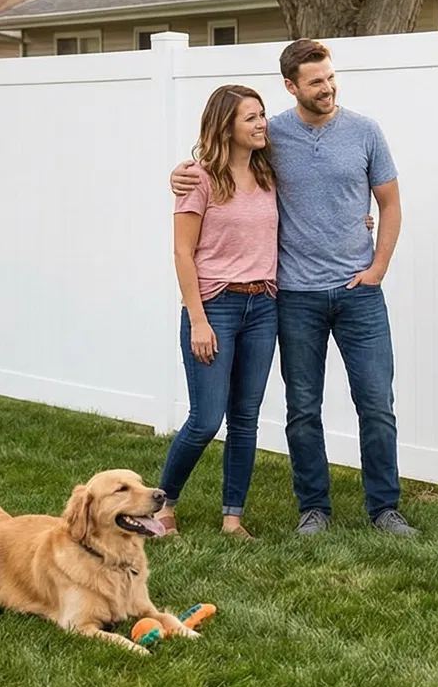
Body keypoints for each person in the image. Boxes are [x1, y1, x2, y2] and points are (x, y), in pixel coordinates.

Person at [172, 38, 414, 537]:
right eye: (315, 82)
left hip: (359, 293)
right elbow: (218, 163)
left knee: (376, 402)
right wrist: (180, 172)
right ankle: (314, 509)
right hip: (294, 296)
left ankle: (385, 509)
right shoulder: (271, 136)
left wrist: (378, 267)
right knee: (303, 407)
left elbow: (389, 203)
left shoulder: (366, 132)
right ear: (292, 86)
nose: (327, 89)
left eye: (330, 78)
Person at [152, 85, 278, 540]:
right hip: (215, 307)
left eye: (262, 115)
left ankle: (232, 519)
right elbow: (182, 253)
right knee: (206, 419)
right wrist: (199, 320)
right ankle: (162, 506)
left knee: (245, 417)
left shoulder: (269, 175)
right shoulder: (199, 179)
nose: (262, 123)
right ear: (226, 126)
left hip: (263, 305)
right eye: (251, 117)